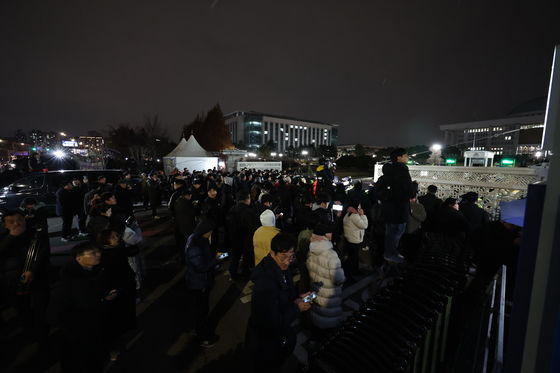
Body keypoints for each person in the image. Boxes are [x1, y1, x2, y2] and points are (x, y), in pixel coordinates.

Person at [47, 242, 119, 373]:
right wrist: (105, 299)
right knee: (81, 359)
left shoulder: (92, 271)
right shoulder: (74, 281)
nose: (98, 255)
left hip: (86, 325)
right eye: (93, 253)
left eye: (98, 252)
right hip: (77, 327)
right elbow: (86, 303)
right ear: (78, 258)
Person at [245, 233, 312, 372]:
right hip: (266, 341)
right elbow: (270, 321)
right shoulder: (265, 284)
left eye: (291, 256)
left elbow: (286, 294)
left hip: (277, 334)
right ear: (272, 253)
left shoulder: (281, 269)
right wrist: (297, 307)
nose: (287, 261)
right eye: (283, 257)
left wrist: (298, 298)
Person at [0, 210, 50, 363]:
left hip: (37, 280)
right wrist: (12, 237)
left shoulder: (36, 235)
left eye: (19, 220)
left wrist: (32, 270)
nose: (17, 224)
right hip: (12, 282)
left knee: (41, 307)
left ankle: (43, 337)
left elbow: (43, 253)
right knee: (22, 310)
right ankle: (30, 335)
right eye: (12, 221)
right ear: (5, 225)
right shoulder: (3, 238)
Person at [96, 229, 138, 359]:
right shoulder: (109, 255)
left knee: (120, 317)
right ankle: (113, 347)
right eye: (113, 236)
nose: (117, 237)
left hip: (123, 289)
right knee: (115, 319)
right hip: (118, 291)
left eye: (116, 235)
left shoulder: (115, 251)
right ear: (106, 241)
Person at [184, 219, 226, 347]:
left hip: (200, 280)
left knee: (202, 308)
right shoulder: (195, 246)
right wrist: (216, 260)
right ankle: (203, 337)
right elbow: (201, 267)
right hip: (199, 282)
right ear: (205, 231)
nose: (211, 234)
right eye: (210, 232)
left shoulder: (197, 239)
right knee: (201, 310)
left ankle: (200, 330)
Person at [376, 148, 415, 263]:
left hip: (388, 209)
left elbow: (378, 191)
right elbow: (410, 191)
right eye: (405, 155)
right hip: (399, 209)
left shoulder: (387, 172)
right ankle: (391, 254)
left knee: (390, 233)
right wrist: (414, 187)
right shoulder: (402, 171)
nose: (407, 157)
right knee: (397, 232)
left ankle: (389, 253)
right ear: (399, 157)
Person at [306, 223, 346, 333]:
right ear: (326, 235)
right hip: (329, 297)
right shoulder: (331, 255)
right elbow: (338, 279)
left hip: (316, 292)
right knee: (329, 324)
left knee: (318, 317)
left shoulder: (311, 250)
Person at [227, 190, 259, 280]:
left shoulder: (232, 209)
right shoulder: (249, 211)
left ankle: (233, 273)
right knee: (247, 257)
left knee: (235, 257)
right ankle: (245, 273)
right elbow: (252, 227)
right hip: (246, 239)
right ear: (247, 199)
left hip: (234, 238)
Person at [342, 199, 368, 276]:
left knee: (352, 257)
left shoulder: (348, 214)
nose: (360, 208)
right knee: (353, 258)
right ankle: (352, 273)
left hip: (349, 239)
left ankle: (352, 271)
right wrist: (363, 215)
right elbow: (364, 225)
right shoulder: (355, 216)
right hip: (354, 240)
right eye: (359, 207)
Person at [400, 196, 427, 262]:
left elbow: (422, 218)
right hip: (413, 231)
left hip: (406, 231)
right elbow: (422, 218)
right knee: (412, 248)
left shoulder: (402, 206)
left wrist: (412, 213)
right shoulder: (419, 206)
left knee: (405, 248)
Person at [173, 188, 197, 261]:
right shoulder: (186, 203)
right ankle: (189, 258)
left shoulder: (178, 201)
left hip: (180, 226)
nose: (190, 198)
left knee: (183, 244)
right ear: (187, 196)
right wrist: (194, 206)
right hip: (187, 226)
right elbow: (192, 213)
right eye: (190, 196)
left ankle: (183, 257)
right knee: (190, 244)